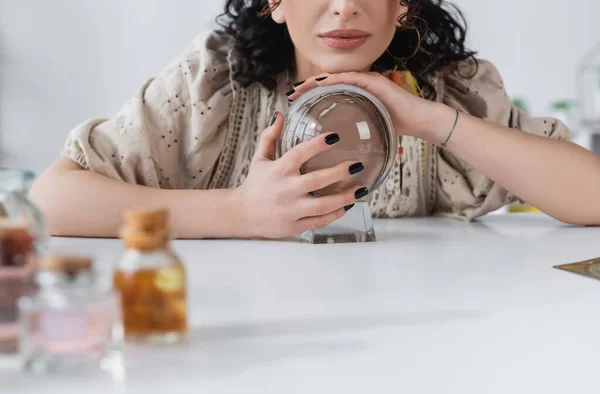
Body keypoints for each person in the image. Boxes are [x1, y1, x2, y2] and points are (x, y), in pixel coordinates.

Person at [30, 0, 600, 239]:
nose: (345, 6)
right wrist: (240, 212)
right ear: (275, 0)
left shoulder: (450, 89)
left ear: (403, 3)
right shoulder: (213, 85)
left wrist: (428, 120)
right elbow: (51, 199)